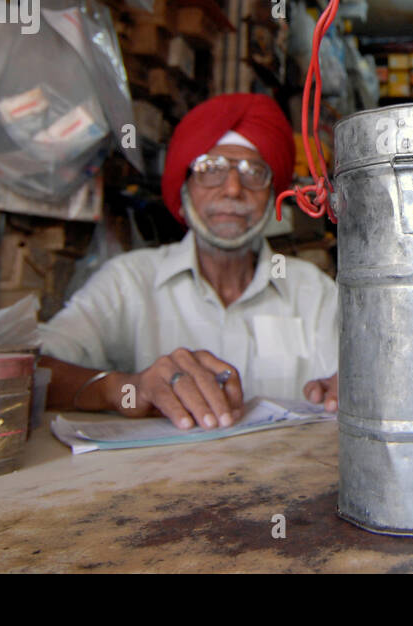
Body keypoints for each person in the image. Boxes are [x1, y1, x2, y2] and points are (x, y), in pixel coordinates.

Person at [39, 93, 339, 430]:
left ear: (273, 198)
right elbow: (35, 370)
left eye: (253, 172)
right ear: (183, 194)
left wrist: (353, 387)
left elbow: (360, 375)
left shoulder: (315, 292)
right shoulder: (128, 281)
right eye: (210, 170)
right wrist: (124, 389)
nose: (232, 189)